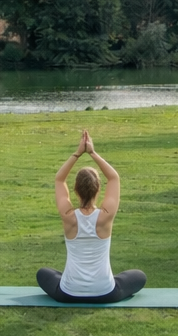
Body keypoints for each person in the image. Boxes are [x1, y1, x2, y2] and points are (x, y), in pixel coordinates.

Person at [36, 129, 147, 303]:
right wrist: (92, 153)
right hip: (105, 293)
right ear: (98, 189)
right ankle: (98, 281)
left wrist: (77, 153)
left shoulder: (68, 216)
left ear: (75, 190)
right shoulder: (105, 216)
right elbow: (114, 178)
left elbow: (59, 179)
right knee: (139, 276)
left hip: (68, 293)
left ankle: (77, 282)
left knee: (43, 273)